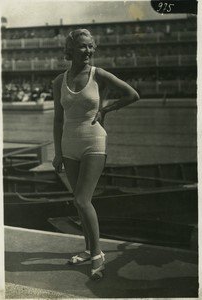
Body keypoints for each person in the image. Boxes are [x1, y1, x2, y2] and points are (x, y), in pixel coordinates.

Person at [52, 29, 140, 280]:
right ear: (71, 51)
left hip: (94, 141)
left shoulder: (98, 74)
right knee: (80, 201)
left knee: (81, 200)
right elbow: (58, 121)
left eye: (91, 46)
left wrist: (106, 111)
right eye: (82, 46)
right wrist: (58, 152)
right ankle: (88, 248)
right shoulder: (59, 81)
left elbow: (132, 94)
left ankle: (99, 254)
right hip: (69, 145)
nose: (88, 51)